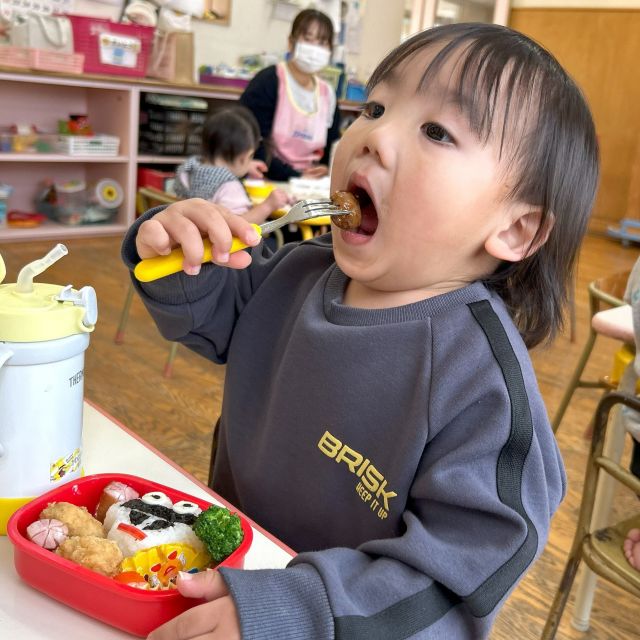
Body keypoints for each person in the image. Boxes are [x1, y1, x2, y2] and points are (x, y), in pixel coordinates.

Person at [122, 23, 598, 639]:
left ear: (513, 230)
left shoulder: (483, 387)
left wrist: (302, 611)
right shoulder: (297, 269)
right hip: (224, 578)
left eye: (436, 131)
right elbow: (209, 314)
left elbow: (455, 582)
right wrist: (178, 248)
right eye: (374, 106)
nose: (374, 136)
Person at [239, 8, 341, 181]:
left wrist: (324, 167)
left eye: (322, 43)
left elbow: (332, 144)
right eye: (308, 40)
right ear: (291, 42)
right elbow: (250, 141)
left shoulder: (327, 94)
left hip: (310, 186)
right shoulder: (268, 81)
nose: (314, 49)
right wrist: (296, 176)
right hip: (268, 179)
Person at [174, 105, 289, 224]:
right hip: (219, 240)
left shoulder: (187, 169)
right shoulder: (229, 187)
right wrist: (268, 206)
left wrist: (246, 165)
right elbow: (240, 225)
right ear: (245, 156)